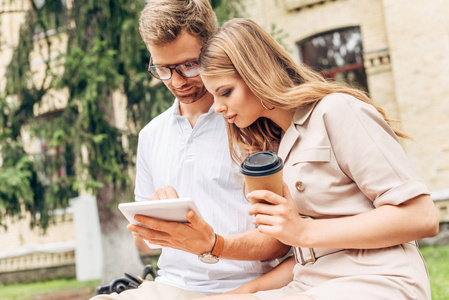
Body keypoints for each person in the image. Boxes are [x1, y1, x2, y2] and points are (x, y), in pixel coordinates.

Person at [196, 18, 439, 300]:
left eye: (225, 92)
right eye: (213, 95)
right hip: (312, 283)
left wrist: (304, 230)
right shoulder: (279, 146)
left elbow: (422, 217)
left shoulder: (336, 111)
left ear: (256, 74)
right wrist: (240, 293)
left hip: (377, 279)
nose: (217, 107)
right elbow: (311, 255)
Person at [91, 3, 290, 300]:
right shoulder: (151, 135)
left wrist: (211, 243)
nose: (176, 81)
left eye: (188, 65)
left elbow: (282, 240)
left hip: (247, 287)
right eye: (162, 69)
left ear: (212, 48)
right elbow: (145, 245)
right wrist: (153, 225)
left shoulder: (252, 121)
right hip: (170, 285)